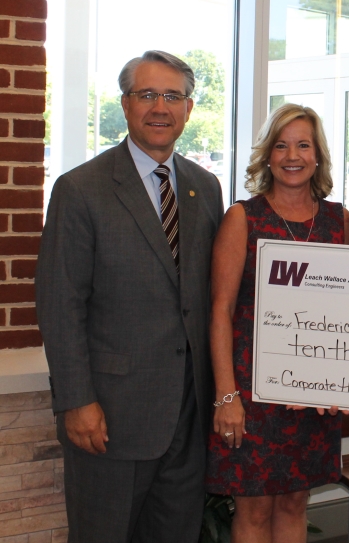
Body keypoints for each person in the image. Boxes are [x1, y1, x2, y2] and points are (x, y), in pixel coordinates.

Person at [35, 51, 224, 542]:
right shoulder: (80, 190)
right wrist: (77, 400)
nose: (159, 107)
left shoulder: (206, 188)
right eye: (147, 95)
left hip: (188, 416)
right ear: (125, 104)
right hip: (111, 420)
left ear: (188, 108)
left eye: (172, 96)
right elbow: (61, 305)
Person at [205, 103, 349, 542]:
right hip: (251, 393)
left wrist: (341, 381)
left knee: (294, 503)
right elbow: (220, 310)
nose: (293, 156)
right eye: (282, 145)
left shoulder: (339, 222)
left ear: (317, 155)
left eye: (304, 145)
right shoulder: (243, 218)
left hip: (314, 395)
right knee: (252, 511)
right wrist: (225, 395)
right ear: (268, 156)